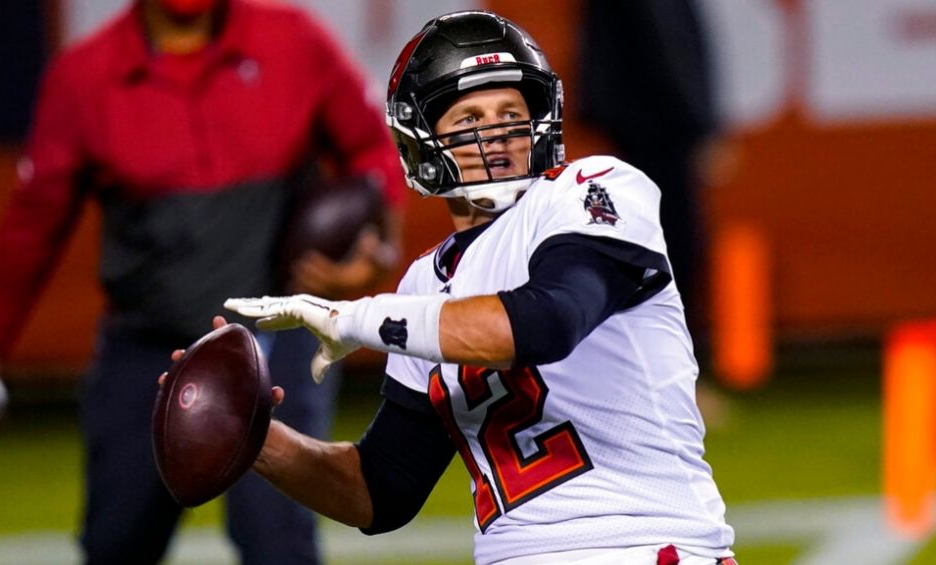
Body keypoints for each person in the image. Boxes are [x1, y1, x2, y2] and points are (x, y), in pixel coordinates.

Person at [216, 10, 737, 564]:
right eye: (469, 121)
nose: (497, 135)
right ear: (422, 142)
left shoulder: (592, 191)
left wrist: (354, 319)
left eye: (511, 113)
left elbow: (547, 322)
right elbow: (381, 487)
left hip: (639, 547)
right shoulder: (424, 284)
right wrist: (250, 435)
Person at [0, 0, 405, 563]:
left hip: (273, 340)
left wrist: (377, 252)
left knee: (278, 543)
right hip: (147, 347)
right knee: (118, 542)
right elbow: (34, 225)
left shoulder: (293, 40)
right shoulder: (85, 74)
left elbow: (373, 151)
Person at [577, 0, 719, 345]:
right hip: (656, 132)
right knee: (669, 254)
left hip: (639, 129)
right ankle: (675, 372)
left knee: (650, 254)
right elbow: (669, 50)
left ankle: (661, 369)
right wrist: (699, 125)